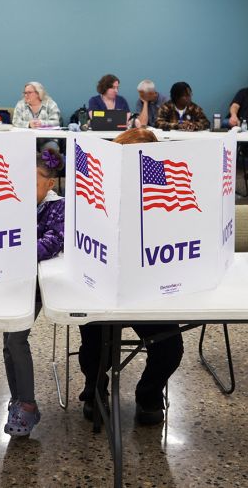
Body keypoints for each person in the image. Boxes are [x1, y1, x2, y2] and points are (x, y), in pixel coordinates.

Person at [77, 127, 183, 426]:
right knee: (95, 344)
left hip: (149, 286)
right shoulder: (94, 189)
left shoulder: (166, 197)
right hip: (101, 284)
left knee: (170, 347)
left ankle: (149, 394)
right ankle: (94, 388)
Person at [2, 148, 65, 437]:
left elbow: (52, 242)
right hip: (15, 279)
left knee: (16, 339)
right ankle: (18, 399)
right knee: (8, 340)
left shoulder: (57, 207)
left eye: (34, 181)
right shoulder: (15, 202)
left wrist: (14, 254)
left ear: (50, 184)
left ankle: (27, 404)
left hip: (39, 283)